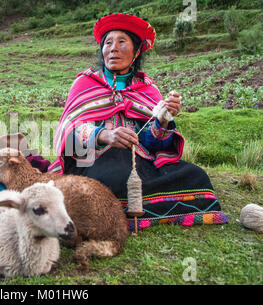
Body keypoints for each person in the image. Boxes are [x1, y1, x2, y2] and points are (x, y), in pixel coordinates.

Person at [49, 13, 227, 230]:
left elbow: (153, 144)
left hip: (140, 163)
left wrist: (162, 122)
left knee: (196, 176)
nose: (113, 48)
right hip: (95, 162)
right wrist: (104, 135)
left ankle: (121, 210)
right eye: (108, 43)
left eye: (121, 42)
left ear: (136, 51)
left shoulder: (148, 89)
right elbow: (69, 132)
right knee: (110, 181)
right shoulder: (84, 83)